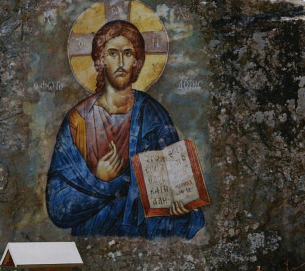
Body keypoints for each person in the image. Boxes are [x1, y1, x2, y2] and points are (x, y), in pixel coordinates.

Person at [46, 20, 204, 238]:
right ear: (100, 60)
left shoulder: (153, 115)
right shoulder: (78, 120)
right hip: (90, 240)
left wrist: (180, 210)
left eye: (128, 53)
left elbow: (178, 191)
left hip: (142, 241)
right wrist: (100, 180)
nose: (121, 62)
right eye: (112, 53)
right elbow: (58, 207)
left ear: (137, 61)